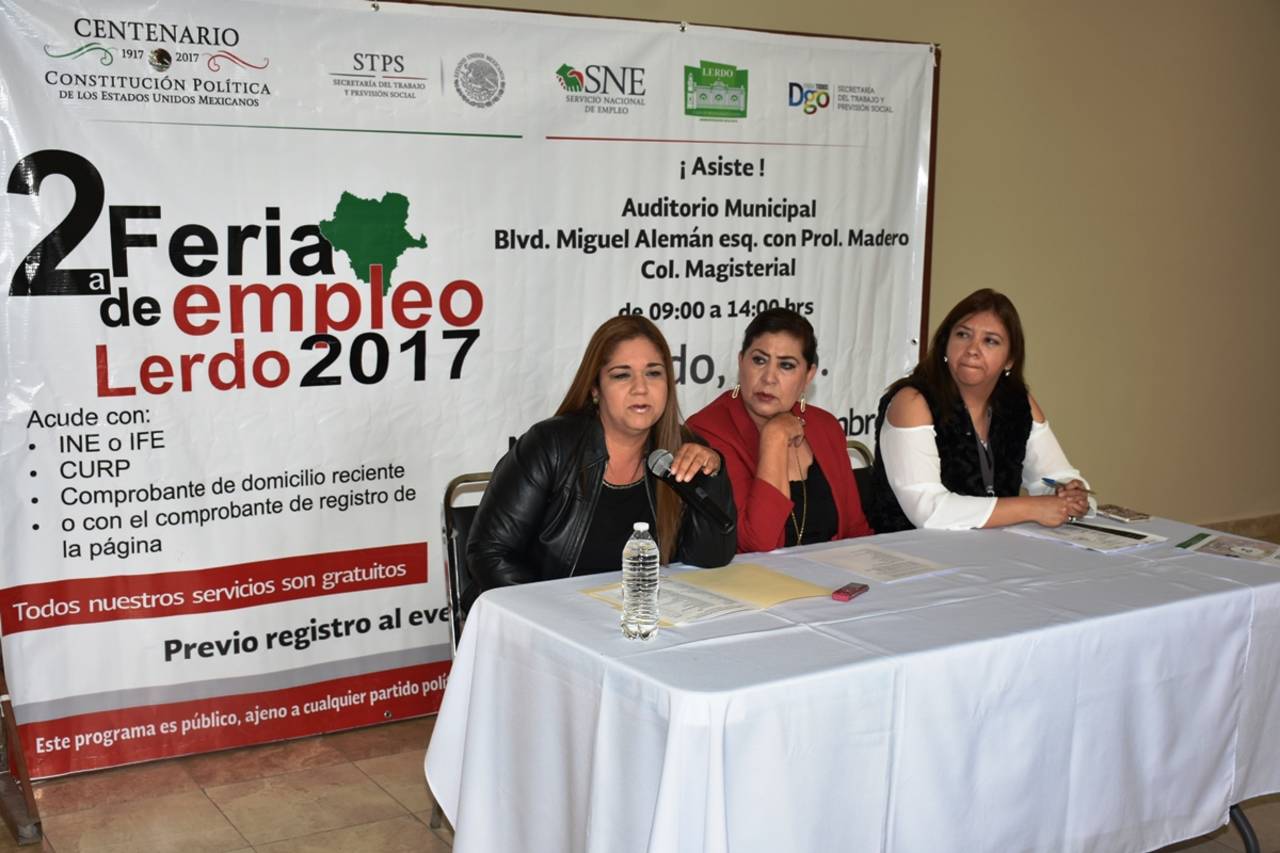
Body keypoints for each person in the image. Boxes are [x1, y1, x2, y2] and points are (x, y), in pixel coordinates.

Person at [464, 316, 736, 610]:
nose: (641, 388)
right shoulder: (551, 445)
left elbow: (711, 558)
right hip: (545, 619)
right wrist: (557, 616)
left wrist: (711, 475)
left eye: (653, 373)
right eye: (622, 375)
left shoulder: (681, 450)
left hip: (638, 619)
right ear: (595, 389)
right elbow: (490, 554)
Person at [867, 288, 1093, 532]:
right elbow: (929, 510)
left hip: (992, 547)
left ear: (1010, 359)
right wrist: (1032, 508)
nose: (972, 349)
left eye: (990, 341)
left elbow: (1054, 476)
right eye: (963, 335)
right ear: (945, 344)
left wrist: (1069, 493)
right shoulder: (912, 402)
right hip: (908, 549)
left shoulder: (1018, 402)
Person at [687, 308, 874, 553]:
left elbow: (855, 530)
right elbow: (756, 543)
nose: (769, 378)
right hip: (755, 576)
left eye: (786, 365)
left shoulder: (825, 426)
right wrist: (774, 437)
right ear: (741, 362)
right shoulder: (707, 430)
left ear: (808, 375)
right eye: (759, 360)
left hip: (833, 572)